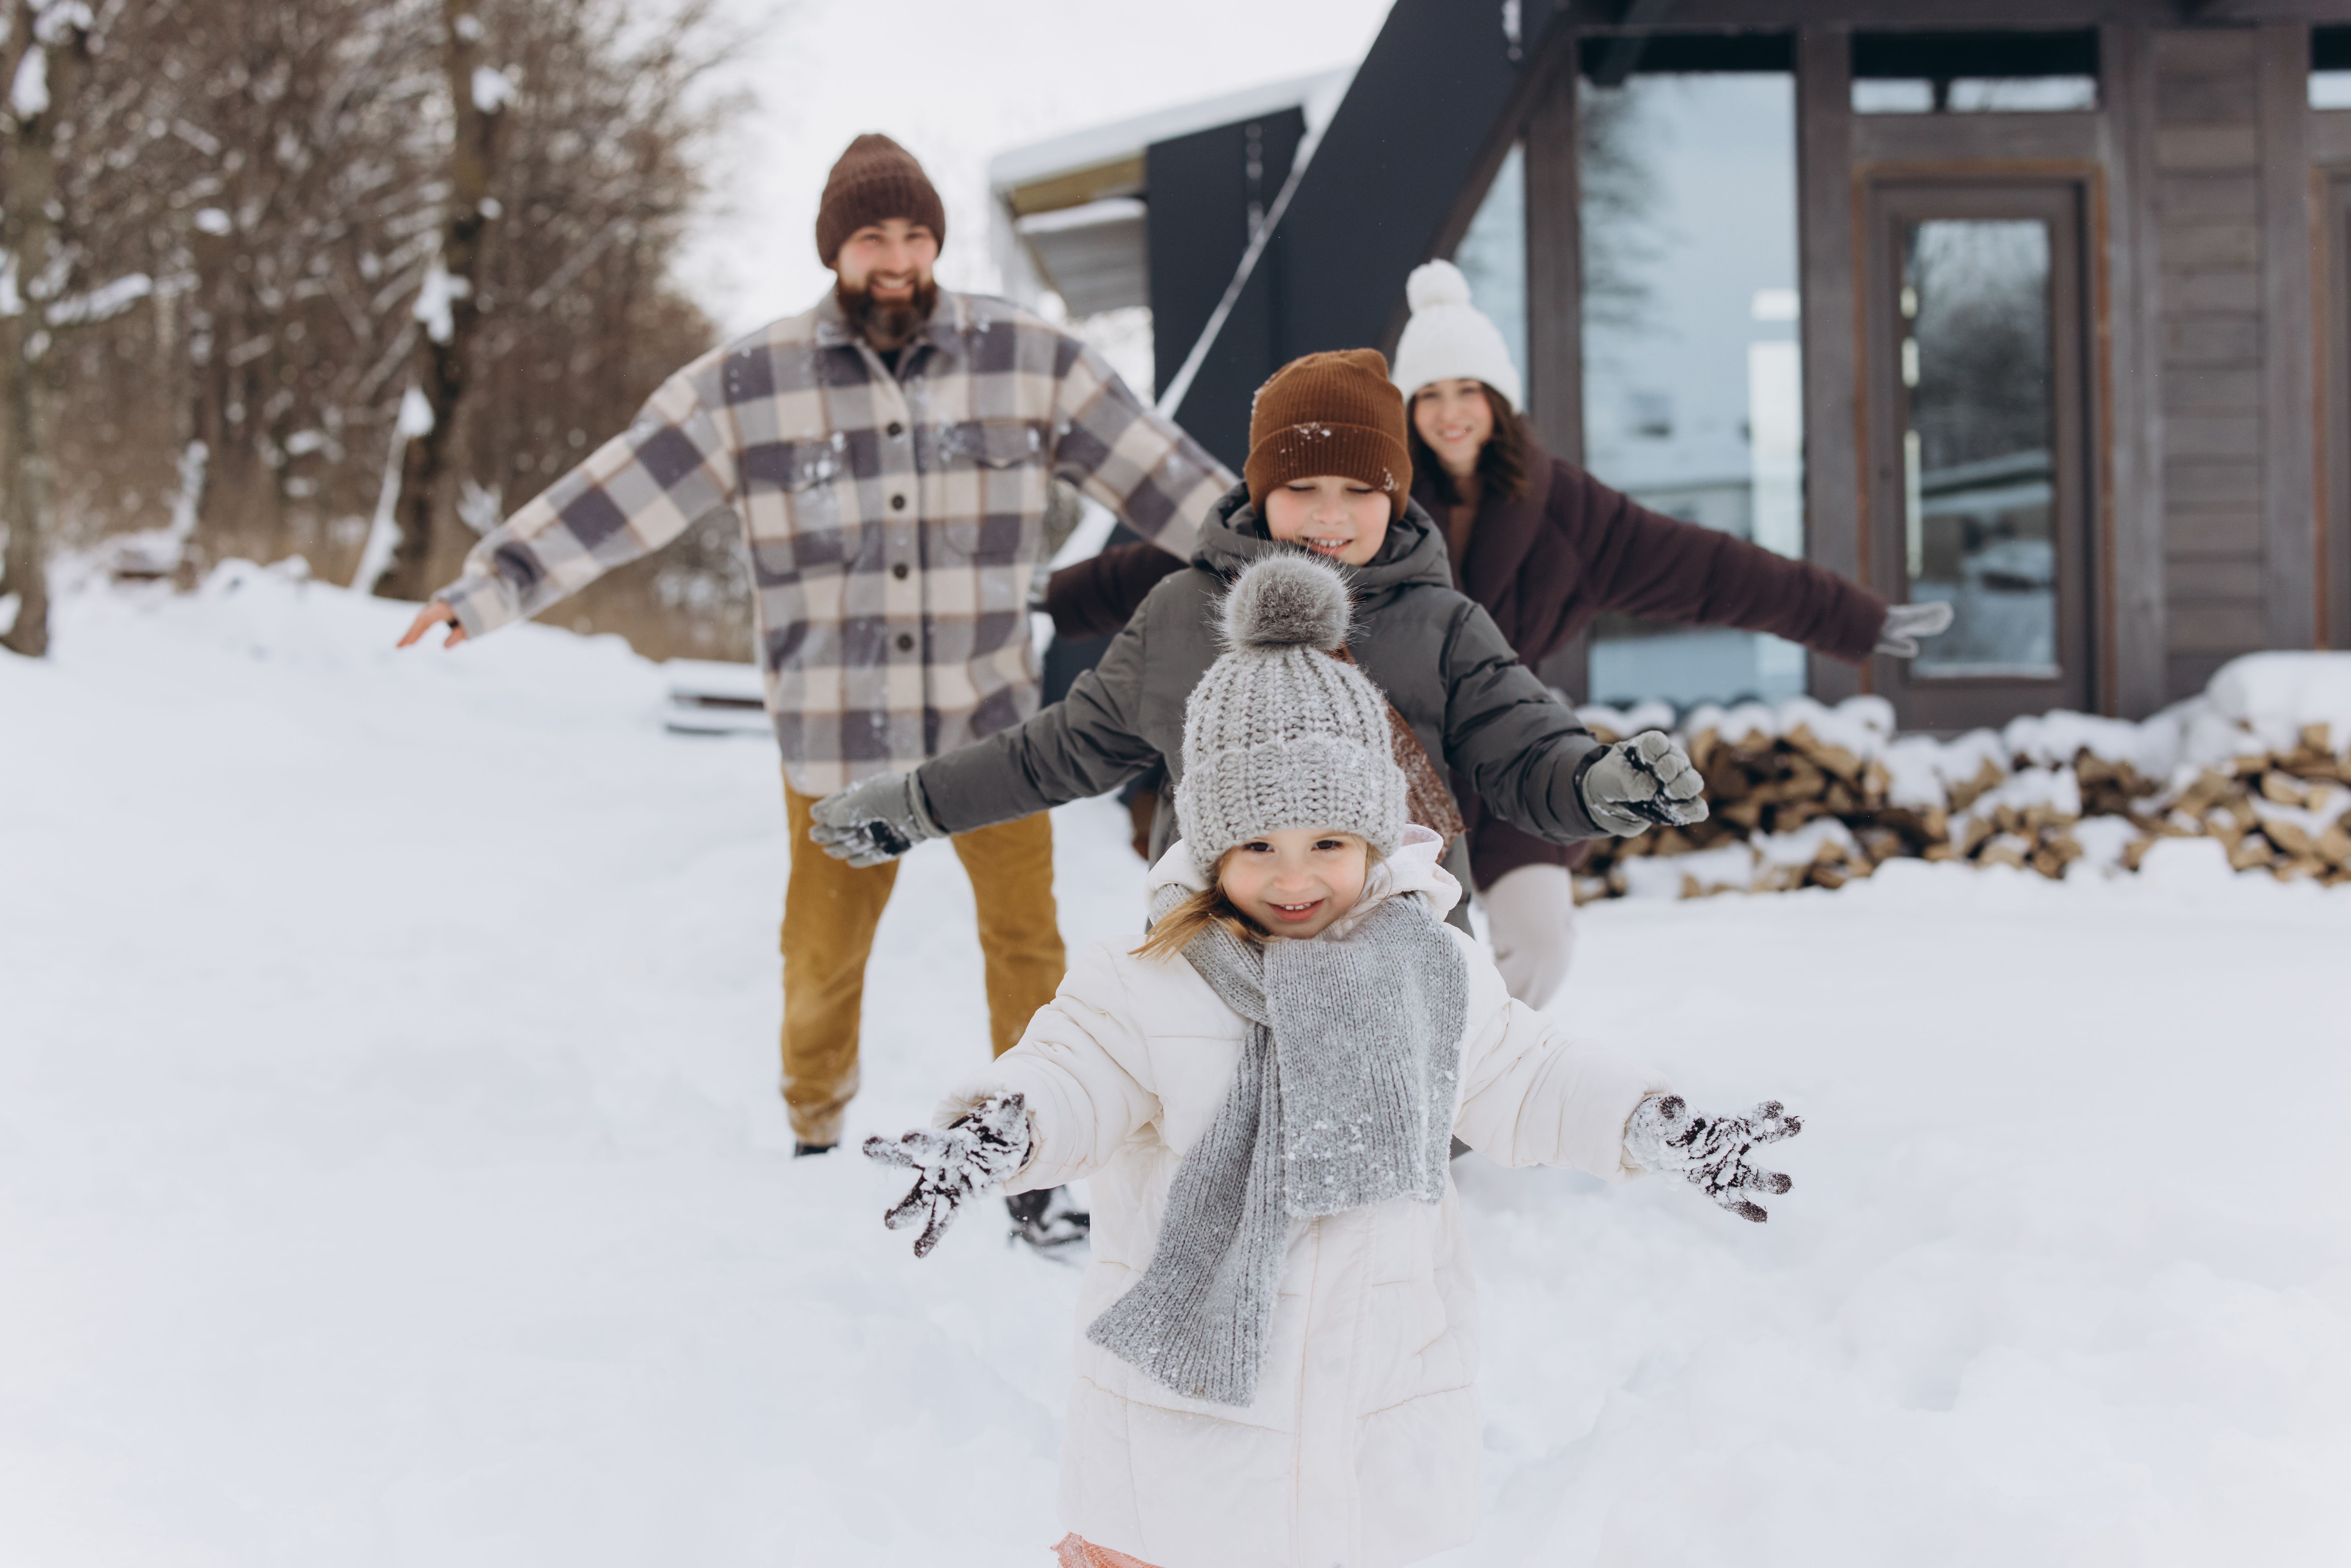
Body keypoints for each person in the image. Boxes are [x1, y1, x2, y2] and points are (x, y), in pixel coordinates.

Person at [860, 550, 1804, 1568]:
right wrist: (996, 1130)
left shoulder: (1429, 969)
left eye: (1326, 844)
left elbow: (1527, 1075)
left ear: (1372, 838)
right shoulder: (1149, 982)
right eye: (1257, 847)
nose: (1293, 878)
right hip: (1186, 1454)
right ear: (1210, 848)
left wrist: (1650, 1124)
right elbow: (1070, 1074)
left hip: (1378, 1429)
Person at [392, 133, 1232, 1246]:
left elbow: (1167, 478)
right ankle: (814, 1142)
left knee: (1026, 947)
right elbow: (620, 491)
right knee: (822, 962)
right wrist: (493, 585)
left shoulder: (1028, 362)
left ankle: (1033, 1165)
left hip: (992, 733)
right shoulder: (751, 384)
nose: (897, 257)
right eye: (872, 237)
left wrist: (1299, 566)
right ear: (834, 248)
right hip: (839, 741)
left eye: (916, 234)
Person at [1040, 260, 1952, 1009]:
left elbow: (1716, 570)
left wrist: (1858, 620)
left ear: (1499, 399)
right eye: (1429, 394)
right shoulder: (1361, 502)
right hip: (1372, 781)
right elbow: (1186, 565)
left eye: (1468, 390)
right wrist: (1051, 597)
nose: (1449, 413)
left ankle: (1466, 1093)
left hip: (1511, 769)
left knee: (1539, 943)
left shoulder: (1569, 512)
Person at [804, 347, 1712, 917]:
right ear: (1258, 491)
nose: (1330, 515)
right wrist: (917, 803)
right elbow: (1058, 751)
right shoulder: (1180, 615)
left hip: (1399, 974)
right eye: (1301, 488)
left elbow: (1526, 752)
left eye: (1358, 491)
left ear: (1396, 498)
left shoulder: (1443, 626)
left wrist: (1598, 782)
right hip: (1210, 967)